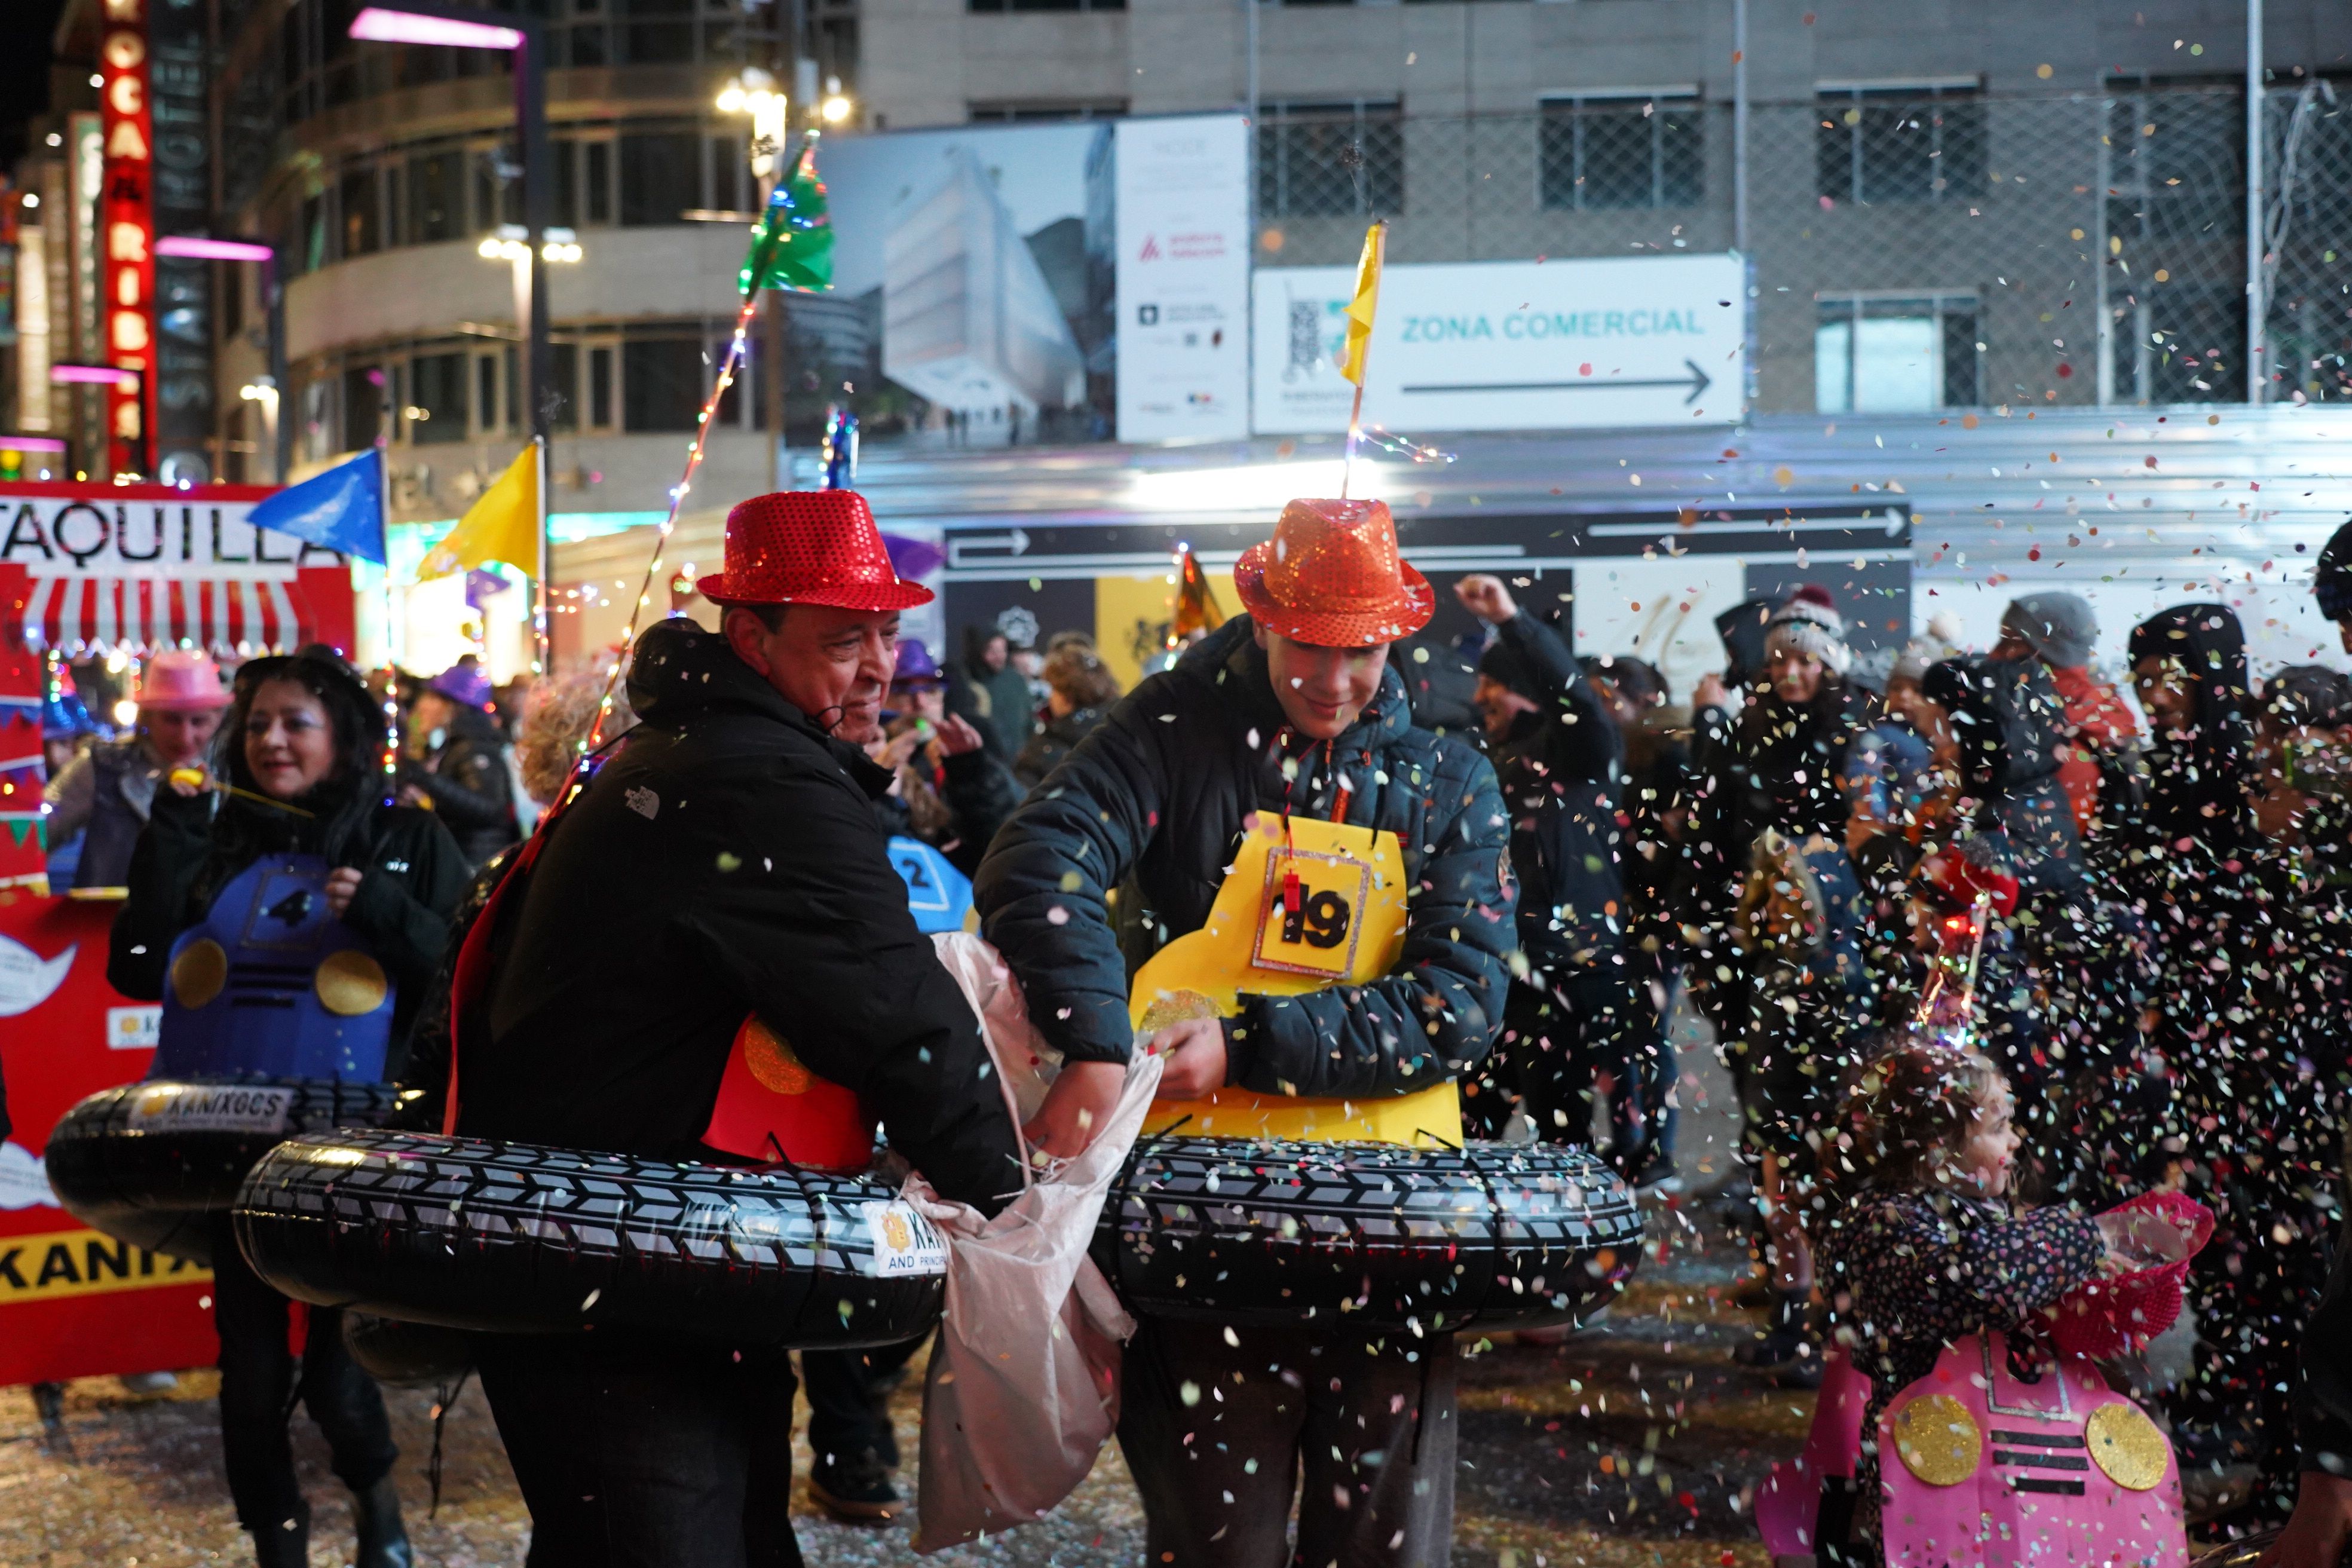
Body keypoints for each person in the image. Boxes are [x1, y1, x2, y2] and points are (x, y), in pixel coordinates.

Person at [448, 489, 1022, 1567]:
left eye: (887, 632)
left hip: (630, 1258)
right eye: (843, 638)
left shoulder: (686, 746)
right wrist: (1020, 1213)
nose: (877, 665)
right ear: (751, 638)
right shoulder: (756, 775)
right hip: (622, 1272)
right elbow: (898, 1011)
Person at [975, 497, 1513, 1568]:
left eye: (1358, 653)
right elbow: (1039, 861)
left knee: (1382, 1545)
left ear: (1393, 637)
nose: (1331, 679)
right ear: (1260, 616)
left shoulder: (1449, 777)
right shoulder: (1169, 728)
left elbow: (1461, 1000)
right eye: (1307, 648)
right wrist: (1090, 1037)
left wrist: (1254, 1042)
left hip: (1392, 1227)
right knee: (1214, 1540)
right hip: (1198, 1221)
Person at [108, 650, 468, 1568]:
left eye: (294, 722)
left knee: (342, 1371)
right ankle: (278, 1537)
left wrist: (388, 911)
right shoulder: (217, 830)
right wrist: (173, 835)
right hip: (231, 1145)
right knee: (251, 1370)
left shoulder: (407, 837)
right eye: (257, 723)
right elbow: (138, 964)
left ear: (342, 737)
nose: (270, 741)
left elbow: (470, 981)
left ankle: (375, 1500)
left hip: (358, 1150)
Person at [1815, 1035, 2151, 1563]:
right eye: (1997, 1129)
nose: (2015, 1141)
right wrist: (2083, 1241)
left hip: (1995, 1450)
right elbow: (1983, 1281)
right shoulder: (1884, 1224)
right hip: (1930, 1458)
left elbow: (2004, 1260)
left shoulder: (1960, 1210)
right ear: (1936, 1153)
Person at [1454, 574, 1668, 1184]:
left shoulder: (1581, 753)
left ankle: (1592, 1234)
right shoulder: (1486, 763)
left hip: (1581, 971)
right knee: (1493, 1123)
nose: (1480, 694)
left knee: (1583, 1122)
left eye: (1492, 682)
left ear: (1524, 690)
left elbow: (1576, 699)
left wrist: (1513, 621)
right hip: (1507, 971)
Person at [45, 650, 231, 889]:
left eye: (199, 722)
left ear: (218, 719)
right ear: (147, 717)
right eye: (172, 720)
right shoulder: (100, 765)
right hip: (105, 921)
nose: (185, 737)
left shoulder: (231, 770)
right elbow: (32, 836)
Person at [1992, 592, 2142, 836]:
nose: (1995, 655)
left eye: (2010, 643)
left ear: (2047, 651)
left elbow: (2024, 850)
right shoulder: (2096, 713)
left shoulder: (2060, 746)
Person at [869, 636, 1019, 878]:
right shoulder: (870, 752)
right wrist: (876, 783)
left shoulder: (962, 750)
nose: (921, 704)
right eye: (905, 692)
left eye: (930, 691)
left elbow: (1010, 832)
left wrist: (971, 772)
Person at [398, 662, 519, 868]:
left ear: (453, 706)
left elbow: (489, 809)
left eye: (433, 698)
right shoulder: (452, 744)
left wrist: (425, 779)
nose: (423, 706)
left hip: (477, 863)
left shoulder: (475, 747)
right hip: (463, 858)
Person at [1013, 640, 1122, 789]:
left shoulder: (1046, 748)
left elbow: (1023, 802)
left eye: (1053, 689)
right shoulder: (1127, 732)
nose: (1050, 698)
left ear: (1066, 696)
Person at [951, 625, 1038, 761]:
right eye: (992, 650)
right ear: (977, 651)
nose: (1000, 656)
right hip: (981, 764)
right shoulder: (964, 682)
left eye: (1003, 650)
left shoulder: (1016, 681)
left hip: (1019, 766)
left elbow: (1029, 722)